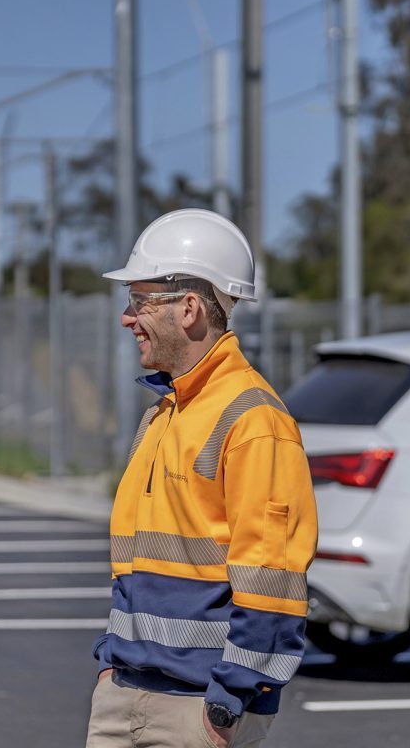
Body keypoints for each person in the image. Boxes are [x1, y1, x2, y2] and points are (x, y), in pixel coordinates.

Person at [86, 209, 317, 748]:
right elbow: (136, 564)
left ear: (189, 308)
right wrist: (109, 663)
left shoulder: (255, 420)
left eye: (140, 301)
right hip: (125, 689)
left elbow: (273, 582)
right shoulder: (164, 413)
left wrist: (229, 700)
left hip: (199, 708)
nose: (127, 317)